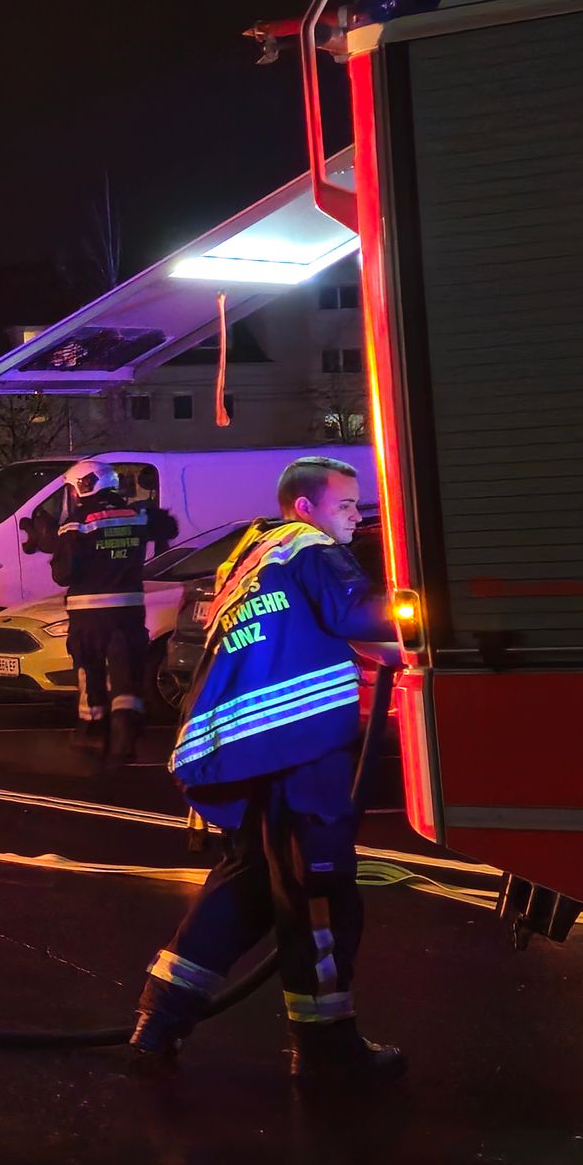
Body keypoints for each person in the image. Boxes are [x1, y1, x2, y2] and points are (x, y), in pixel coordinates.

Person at [126, 456, 407, 1085]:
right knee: (320, 893)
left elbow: (304, 631)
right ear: (304, 507)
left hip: (236, 748)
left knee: (249, 883)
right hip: (293, 747)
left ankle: (157, 1021)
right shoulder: (309, 546)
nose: (353, 518)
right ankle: (327, 1049)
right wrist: (429, 608)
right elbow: (360, 613)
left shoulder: (252, 556)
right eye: (344, 506)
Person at [47, 462, 178, 763]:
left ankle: (92, 732)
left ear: (82, 486)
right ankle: (125, 733)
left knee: (89, 672)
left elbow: (63, 574)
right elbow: (169, 528)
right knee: (126, 675)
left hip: (89, 615)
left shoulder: (77, 524)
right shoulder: (138, 516)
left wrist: (53, 545)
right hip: (130, 613)